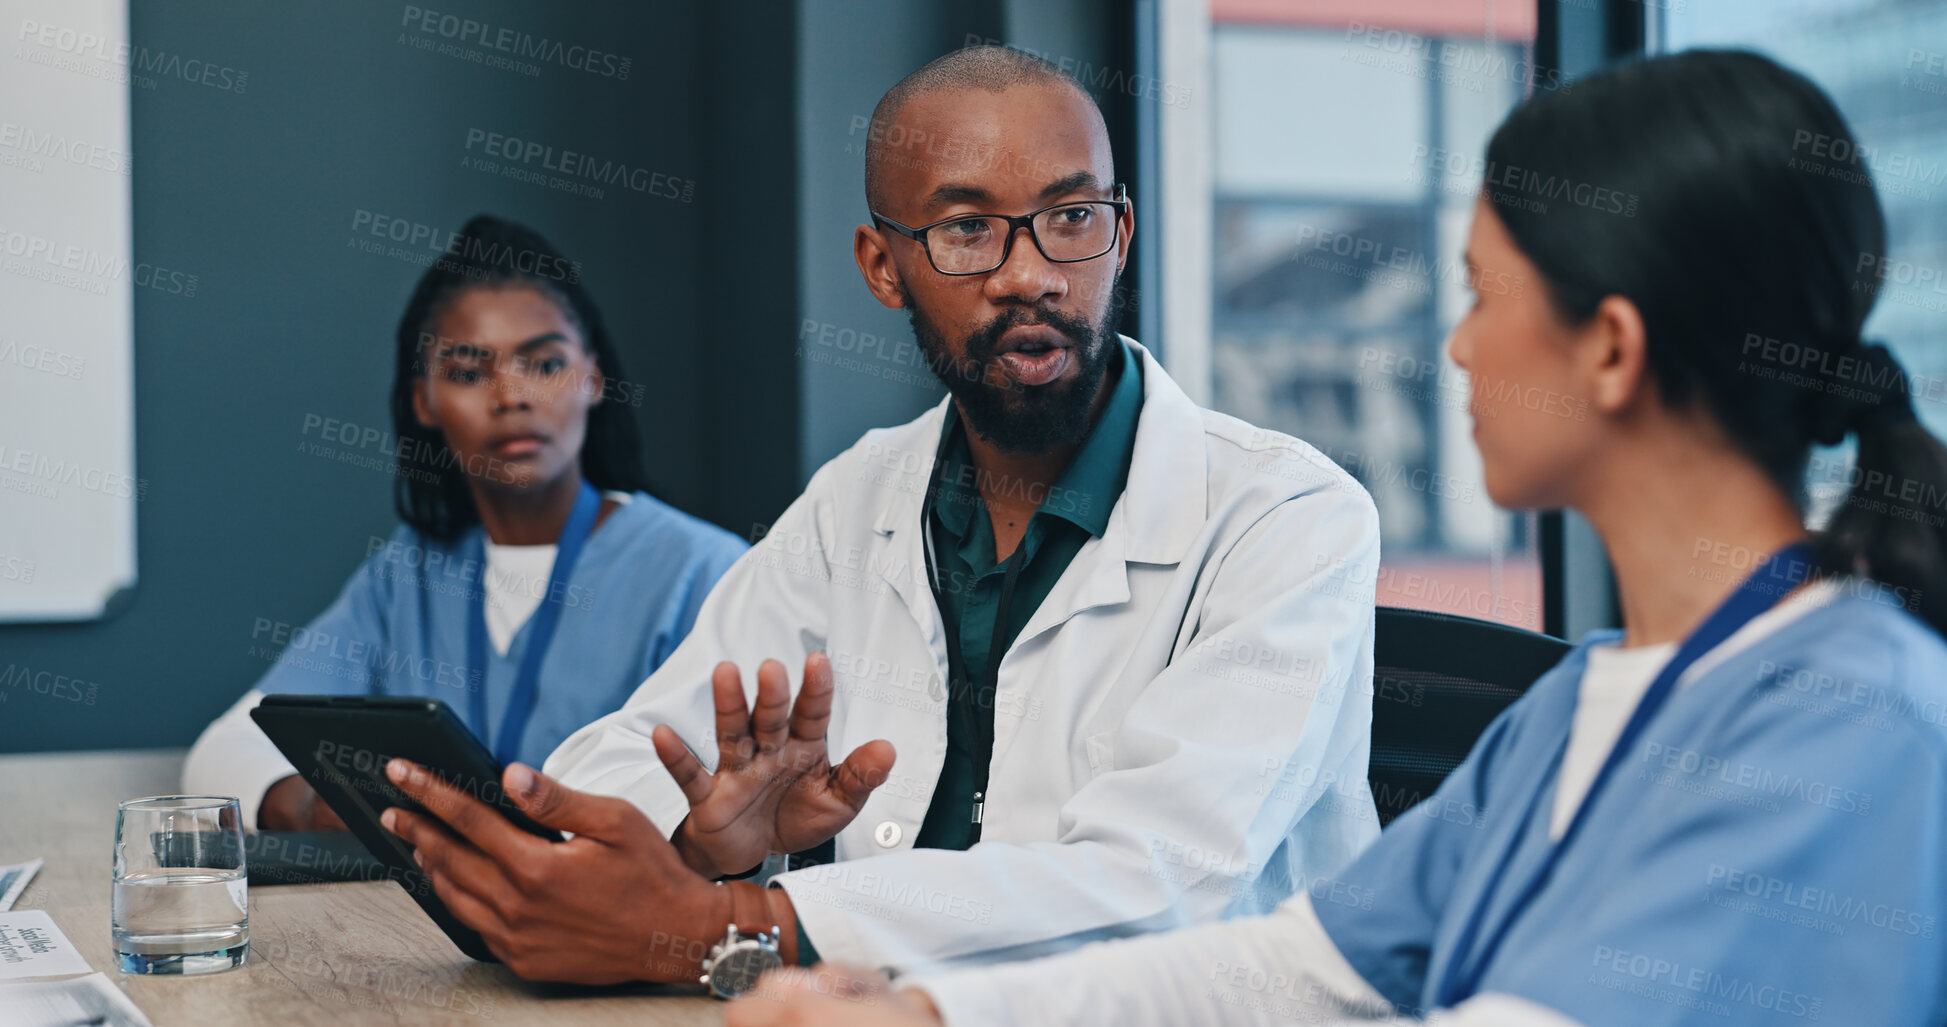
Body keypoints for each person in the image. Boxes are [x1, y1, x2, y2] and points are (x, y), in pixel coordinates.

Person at [725, 48, 1947, 1027]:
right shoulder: (1585, 708)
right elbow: (1302, 966)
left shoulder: (1850, 722)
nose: (1457, 348)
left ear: (1612, 348)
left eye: (1480, 295)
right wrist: (929, 1008)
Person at [372, 45, 1383, 988]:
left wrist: (736, 919)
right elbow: (625, 754)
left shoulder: (1285, 518)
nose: (1030, 272)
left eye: (1071, 216)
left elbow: (1151, 880)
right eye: (967, 228)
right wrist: (709, 838)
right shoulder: (861, 496)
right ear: (880, 265)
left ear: (1119, 235)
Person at [183, 215, 747, 831]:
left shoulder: (704, 571)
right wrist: (330, 808)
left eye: (545, 364)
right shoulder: (408, 574)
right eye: (469, 373)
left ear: (593, 377)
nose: (511, 396)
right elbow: (224, 753)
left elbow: (728, 806)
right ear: (424, 399)